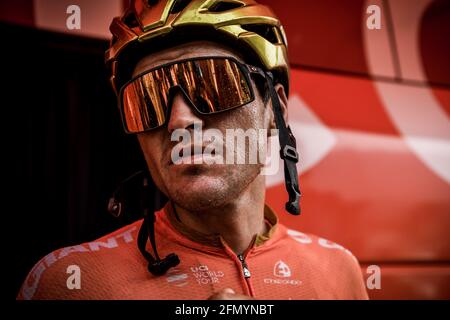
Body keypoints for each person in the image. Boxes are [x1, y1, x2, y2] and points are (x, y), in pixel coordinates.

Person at [18, 0, 368, 300]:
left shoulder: (341, 270)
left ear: (274, 110)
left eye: (212, 84)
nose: (178, 121)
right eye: (147, 100)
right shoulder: (69, 282)